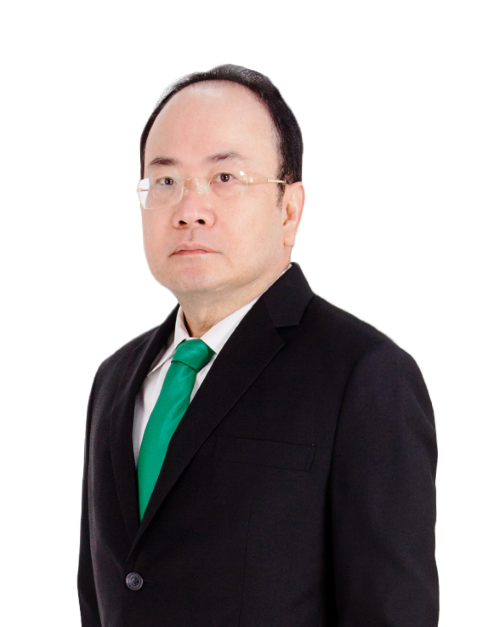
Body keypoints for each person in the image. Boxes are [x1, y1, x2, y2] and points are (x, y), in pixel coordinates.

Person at [77, 63, 439, 626]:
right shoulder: (114, 378)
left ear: (290, 207)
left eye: (225, 177)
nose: (190, 210)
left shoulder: (364, 374)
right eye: (166, 181)